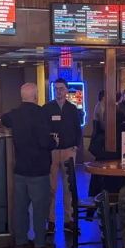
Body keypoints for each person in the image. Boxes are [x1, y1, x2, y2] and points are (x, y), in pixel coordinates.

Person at [0, 84, 56, 248]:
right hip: (38, 169)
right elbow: (45, 142)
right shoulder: (41, 114)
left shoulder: (15, 114)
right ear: (35, 96)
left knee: (20, 207)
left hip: (20, 168)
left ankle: (21, 241)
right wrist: (55, 142)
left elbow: (3, 119)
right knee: (40, 208)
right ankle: (39, 244)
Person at [43, 78, 83, 233]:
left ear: (67, 91)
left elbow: (77, 129)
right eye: (56, 88)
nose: (58, 91)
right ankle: (51, 221)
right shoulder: (47, 108)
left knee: (69, 187)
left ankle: (69, 220)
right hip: (52, 153)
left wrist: (76, 146)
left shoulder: (72, 109)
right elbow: (43, 130)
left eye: (61, 88)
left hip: (68, 151)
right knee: (51, 188)